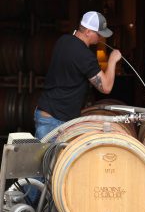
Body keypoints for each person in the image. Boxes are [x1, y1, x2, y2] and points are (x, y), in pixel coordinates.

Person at [34, 11, 122, 140]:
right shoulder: (84, 55)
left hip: (45, 114)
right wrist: (112, 60)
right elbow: (106, 87)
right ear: (87, 31)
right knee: (59, 160)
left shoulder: (63, 40)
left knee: (48, 160)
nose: (100, 38)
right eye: (98, 34)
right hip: (56, 122)